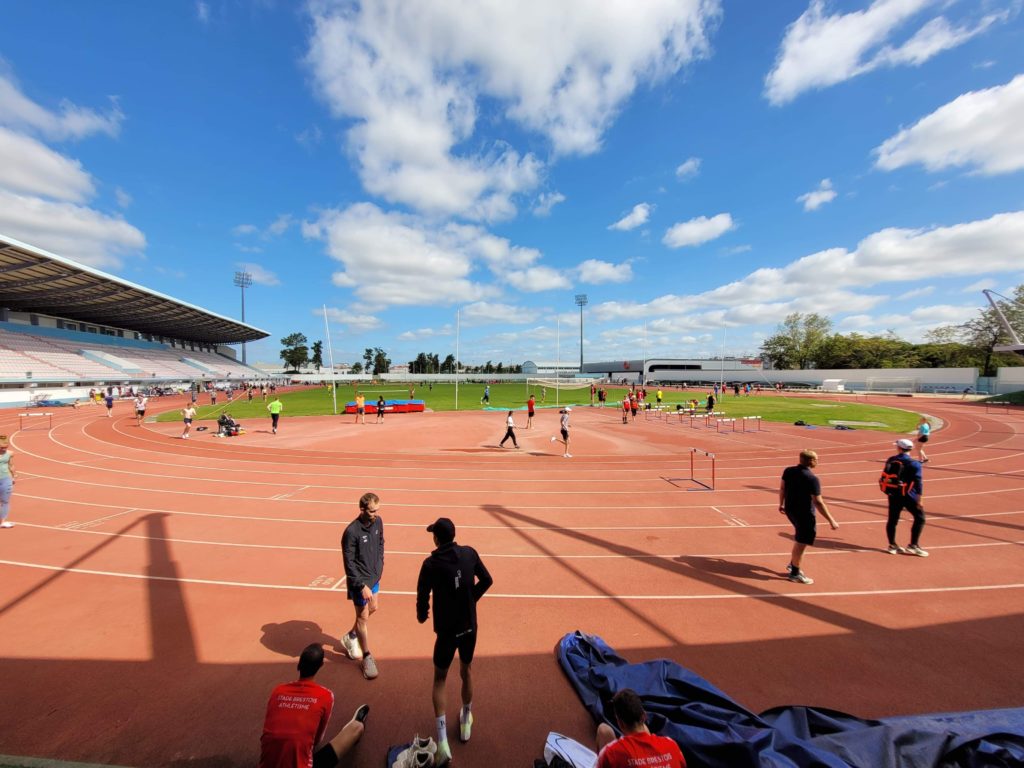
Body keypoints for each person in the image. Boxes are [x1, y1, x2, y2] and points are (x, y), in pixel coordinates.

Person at [416, 518, 493, 761]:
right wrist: (472, 599)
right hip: (469, 626)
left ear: (436, 538)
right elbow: (487, 580)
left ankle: (442, 741)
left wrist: (422, 616)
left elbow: (422, 596)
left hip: (447, 631)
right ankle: (466, 719)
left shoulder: (430, 564)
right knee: (466, 670)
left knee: (440, 678)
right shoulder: (469, 553)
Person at [259, 643, 369, 768]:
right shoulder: (325, 695)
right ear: (320, 665)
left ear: (299, 664)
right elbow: (317, 740)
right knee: (356, 728)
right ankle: (356, 724)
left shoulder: (277, 691)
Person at [340, 493, 384, 679]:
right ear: (362, 509)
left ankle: (350, 635)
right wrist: (360, 585)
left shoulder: (379, 522)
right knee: (362, 616)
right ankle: (366, 657)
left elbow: (381, 543)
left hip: (374, 577)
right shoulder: (352, 532)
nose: (375, 514)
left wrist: (380, 564)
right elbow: (349, 562)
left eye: (377, 510)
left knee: (373, 608)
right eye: (372, 511)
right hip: (360, 582)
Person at [779, 449, 839, 585]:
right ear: (811, 461)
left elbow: (782, 488)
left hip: (790, 509)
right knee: (801, 542)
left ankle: (793, 563)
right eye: (817, 459)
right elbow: (818, 502)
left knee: (800, 538)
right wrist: (831, 520)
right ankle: (794, 573)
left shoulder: (788, 471)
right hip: (804, 513)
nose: (818, 461)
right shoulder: (812, 479)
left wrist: (781, 504)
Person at [595, 689, 685, 768]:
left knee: (604, 730)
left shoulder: (611, 753)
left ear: (620, 723)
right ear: (644, 716)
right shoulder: (671, 745)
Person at [882, 439, 928, 556]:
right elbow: (918, 482)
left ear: (899, 448)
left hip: (893, 494)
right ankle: (913, 545)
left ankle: (892, 545)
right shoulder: (914, 464)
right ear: (910, 449)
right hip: (909, 495)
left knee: (892, 520)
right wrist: (920, 498)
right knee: (920, 518)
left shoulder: (891, 460)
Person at [0, 435, 17, 529]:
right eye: (1, 447)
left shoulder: (10, 453)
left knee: (5, 501)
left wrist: (14, 475)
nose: (3, 449)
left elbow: (11, 465)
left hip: (5, 479)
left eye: (5, 447)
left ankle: (3, 521)